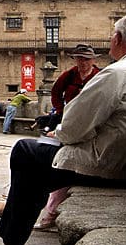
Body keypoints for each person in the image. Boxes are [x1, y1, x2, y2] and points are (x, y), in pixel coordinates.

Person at [0, 13, 126, 245]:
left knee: (27, 151)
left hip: (114, 168)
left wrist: (57, 131)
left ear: (118, 39)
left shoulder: (118, 74)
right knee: (38, 161)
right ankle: (14, 215)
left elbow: (71, 129)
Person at [35, 43, 104, 226]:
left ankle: (49, 210)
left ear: (93, 60)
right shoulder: (70, 75)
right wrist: (59, 109)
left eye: (86, 59)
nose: (82, 62)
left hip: (88, 124)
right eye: (79, 59)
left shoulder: (100, 76)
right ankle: (39, 202)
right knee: (46, 151)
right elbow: (56, 91)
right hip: (67, 120)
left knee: (63, 162)